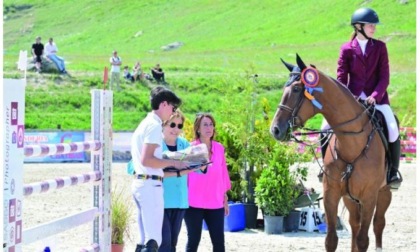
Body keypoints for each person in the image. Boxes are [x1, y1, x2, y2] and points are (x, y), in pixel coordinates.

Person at [336, 7, 401, 187]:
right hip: (353, 101)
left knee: (393, 127)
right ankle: (327, 168)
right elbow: (341, 78)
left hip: (377, 100)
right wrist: (350, 98)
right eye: (370, 25)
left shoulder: (380, 47)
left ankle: (393, 172)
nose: (374, 28)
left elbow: (384, 77)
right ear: (358, 26)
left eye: (374, 25)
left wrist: (374, 95)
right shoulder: (347, 49)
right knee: (326, 126)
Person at [131, 86, 189, 252]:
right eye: (173, 107)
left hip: (141, 183)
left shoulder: (144, 123)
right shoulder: (154, 125)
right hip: (150, 184)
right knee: (154, 239)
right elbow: (148, 159)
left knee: (143, 238)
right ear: (164, 104)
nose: (172, 112)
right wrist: (174, 163)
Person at [184, 113, 231, 252]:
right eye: (205, 124)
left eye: (211, 125)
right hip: (193, 203)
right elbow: (185, 176)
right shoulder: (191, 148)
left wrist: (225, 198)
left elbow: (223, 174)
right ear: (198, 128)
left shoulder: (219, 148)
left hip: (215, 202)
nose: (209, 128)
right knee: (193, 241)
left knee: (219, 243)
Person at [159, 110, 204, 252]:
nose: (176, 129)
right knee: (164, 243)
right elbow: (135, 167)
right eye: (172, 124)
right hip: (161, 201)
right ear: (163, 125)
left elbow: (195, 168)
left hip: (180, 201)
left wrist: (202, 165)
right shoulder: (155, 144)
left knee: (173, 242)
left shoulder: (184, 144)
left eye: (179, 126)